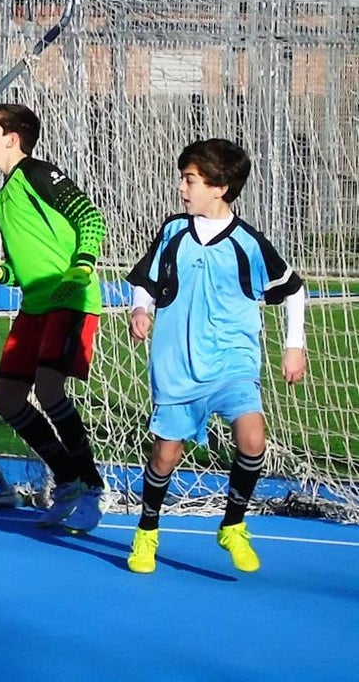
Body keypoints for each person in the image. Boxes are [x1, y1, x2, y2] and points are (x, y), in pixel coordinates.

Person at [125, 138, 306, 574]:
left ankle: (233, 525)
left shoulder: (248, 243)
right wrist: (139, 308)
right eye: (184, 179)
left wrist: (294, 346)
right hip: (177, 366)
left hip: (231, 361)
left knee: (252, 439)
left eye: (191, 181)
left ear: (220, 187)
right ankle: (147, 530)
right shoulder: (172, 231)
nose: (183, 189)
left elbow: (294, 289)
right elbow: (144, 281)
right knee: (165, 457)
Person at [0, 103, 109, 533]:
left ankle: (93, 488)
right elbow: (23, 267)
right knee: (5, 399)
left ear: (12, 138)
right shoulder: (3, 198)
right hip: (35, 305)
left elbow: (90, 217)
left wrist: (81, 265)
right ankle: (67, 480)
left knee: (48, 387)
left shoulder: (39, 173)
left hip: (70, 298)